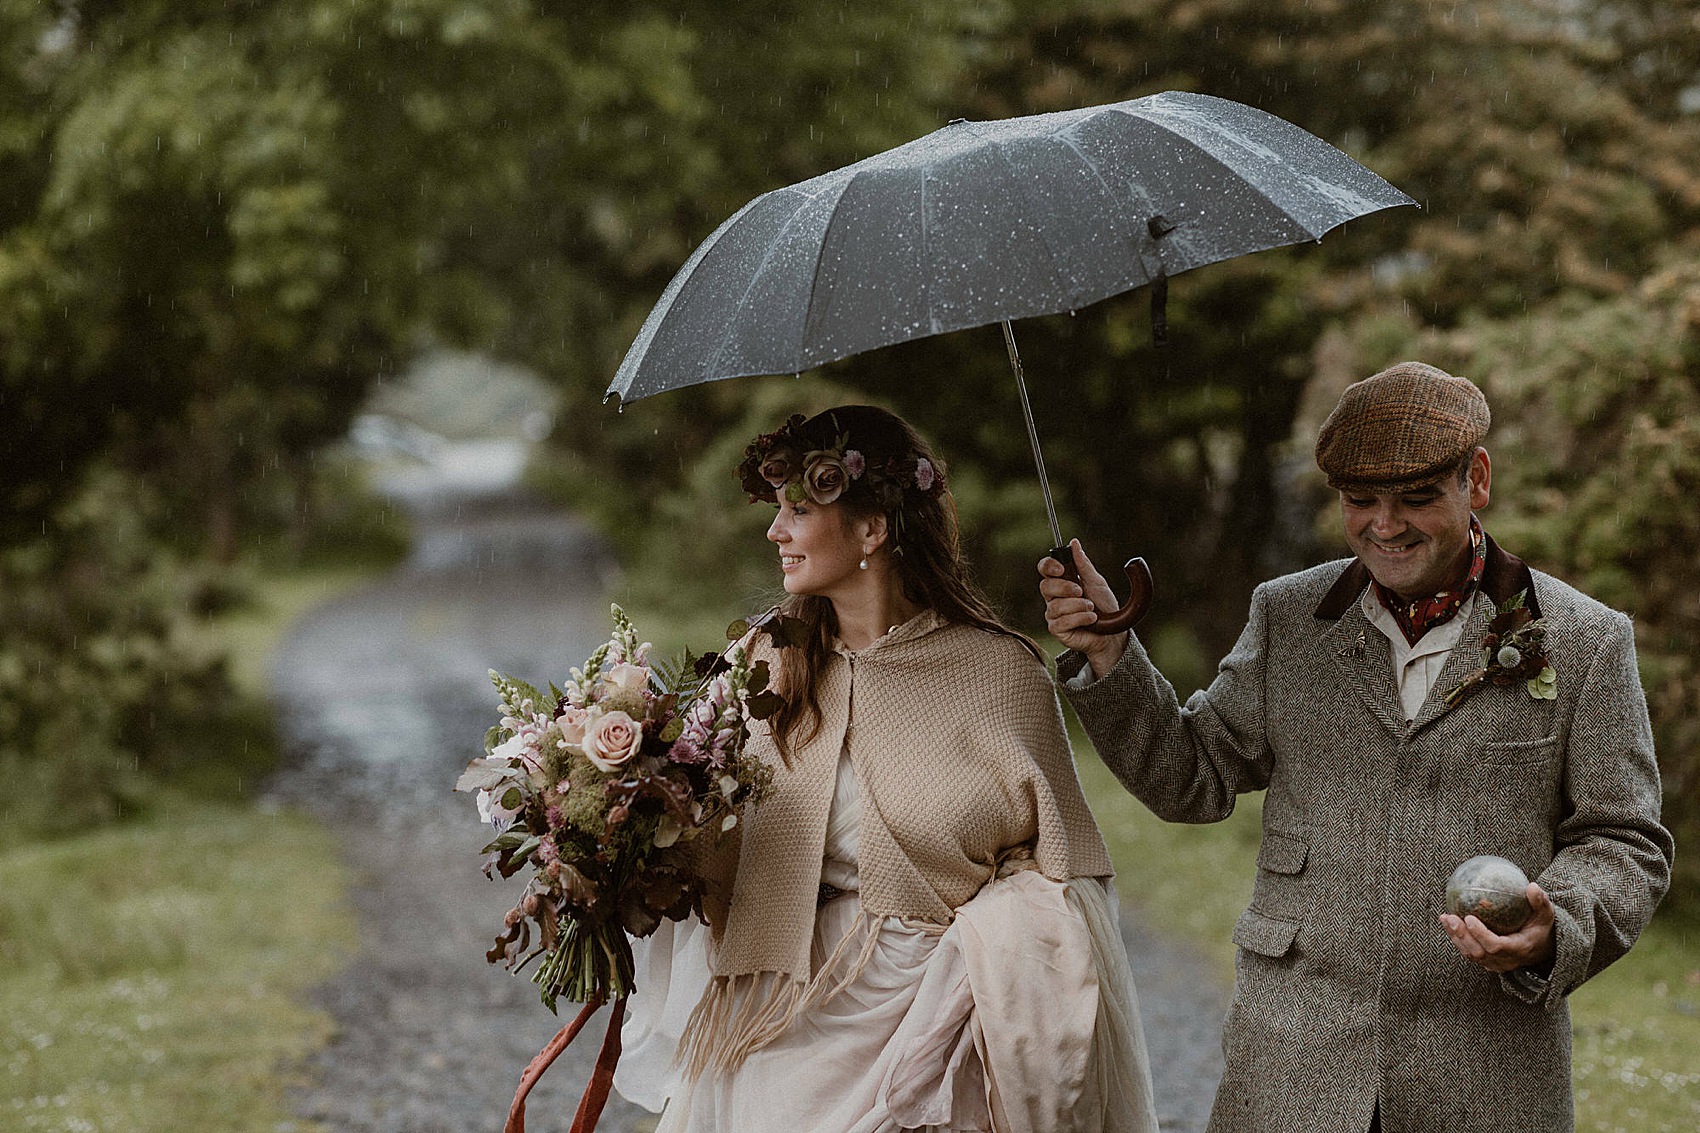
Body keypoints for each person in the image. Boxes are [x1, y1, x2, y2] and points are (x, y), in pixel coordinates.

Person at [1038, 362, 1672, 1133]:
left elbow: (1623, 838)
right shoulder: (1288, 617)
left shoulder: (1586, 640)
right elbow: (1191, 776)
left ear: (1476, 479)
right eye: (1360, 500)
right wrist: (1109, 655)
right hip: (1291, 1065)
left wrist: (1555, 926)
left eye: (1415, 498)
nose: (1384, 524)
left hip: (1484, 1076)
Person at [615, 405, 1160, 1133]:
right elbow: (710, 847)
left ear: (873, 529)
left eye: (799, 510)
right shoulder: (762, 665)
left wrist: (991, 940)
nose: (775, 532)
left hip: (936, 1027)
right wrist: (618, 840)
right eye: (779, 511)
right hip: (779, 1020)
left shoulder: (999, 671)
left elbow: (1071, 878)